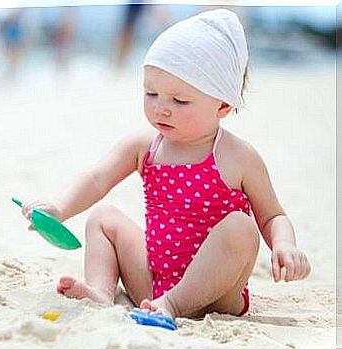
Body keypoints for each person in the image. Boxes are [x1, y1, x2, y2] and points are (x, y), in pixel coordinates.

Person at [19, 9, 311, 324]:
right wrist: (58, 209)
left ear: (223, 105)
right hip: (152, 283)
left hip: (217, 292)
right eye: (151, 93)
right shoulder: (146, 146)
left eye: (179, 101)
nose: (162, 108)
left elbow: (273, 215)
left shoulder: (238, 156)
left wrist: (284, 244)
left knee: (242, 227)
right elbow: (96, 178)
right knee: (103, 218)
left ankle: (172, 304)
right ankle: (102, 293)